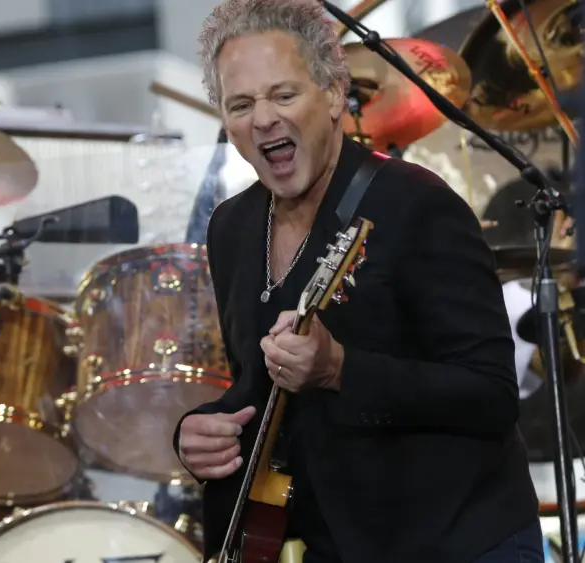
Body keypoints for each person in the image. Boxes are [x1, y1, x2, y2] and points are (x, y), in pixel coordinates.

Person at [173, 1, 542, 562]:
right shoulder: (232, 226)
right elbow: (259, 384)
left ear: (332, 92)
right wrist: (199, 433)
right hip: (338, 544)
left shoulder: (416, 205)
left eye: (284, 94)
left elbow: (489, 395)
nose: (263, 118)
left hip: (457, 539)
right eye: (240, 104)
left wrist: (341, 369)